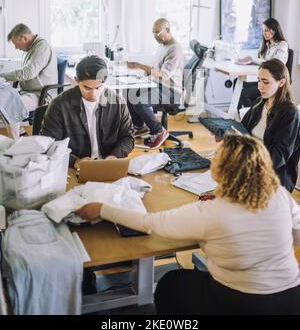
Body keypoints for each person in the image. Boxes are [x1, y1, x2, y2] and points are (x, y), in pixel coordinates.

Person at [76, 135, 300, 315]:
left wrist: (102, 209)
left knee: (170, 285)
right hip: (292, 298)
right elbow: (297, 235)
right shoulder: (280, 194)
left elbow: (151, 224)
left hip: (240, 302)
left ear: (221, 171)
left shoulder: (212, 212)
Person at [41, 55, 134, 169]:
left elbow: (127, 137)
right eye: (87, 88)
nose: (93, 94)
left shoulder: (118, 102)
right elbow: (49, 144)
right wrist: (74, 162)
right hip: (71, 168)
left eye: (98, 88)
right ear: (76, 80)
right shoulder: (59, 105)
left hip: (107, 166)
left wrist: (115, 156)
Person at [240, 58, 300, 192]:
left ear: (281, 82)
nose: (259, 86)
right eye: (259, 80)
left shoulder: (289, 113)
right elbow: (241, 129)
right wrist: (226, 134)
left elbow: (278, 156)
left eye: (265, 82)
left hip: (273, 176)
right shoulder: (259, 103)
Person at [126, 18, 184, 149]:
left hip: (171, 92)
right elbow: (157, 69)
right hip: (160, 85)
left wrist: (139, 65)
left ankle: (159, 131)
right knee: (130, 92)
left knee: (140, 101)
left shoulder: (175, 50)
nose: (155, 37)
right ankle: (140, 127)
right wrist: (142, 71)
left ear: (167, 30)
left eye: (157, 33)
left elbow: (163, 74)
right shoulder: (162, 45)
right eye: (153, 33)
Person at [1, 23, 57, 137]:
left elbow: (27, 73)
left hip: (40, 95)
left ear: (24, 38)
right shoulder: (31, 48)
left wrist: (2, 75)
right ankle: (21, 133)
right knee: (2, 100)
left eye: (16, 44)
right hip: (27, 92)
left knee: (11, 106)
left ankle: (15, 144)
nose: (16, 47)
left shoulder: (42, 47)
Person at [238, 17, 289, 108]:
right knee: (237, 83)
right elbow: (261, 61)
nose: (264, 33)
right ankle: (245, 115)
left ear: (274, 30)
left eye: (266, 30)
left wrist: (253, 59)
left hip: (272, 81)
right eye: (263, 30)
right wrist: (249, 61)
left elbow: (276, 65)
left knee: (243, 93)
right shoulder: (266, 44)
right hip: (263, 78)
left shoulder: (282, 45)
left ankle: (254, 115)